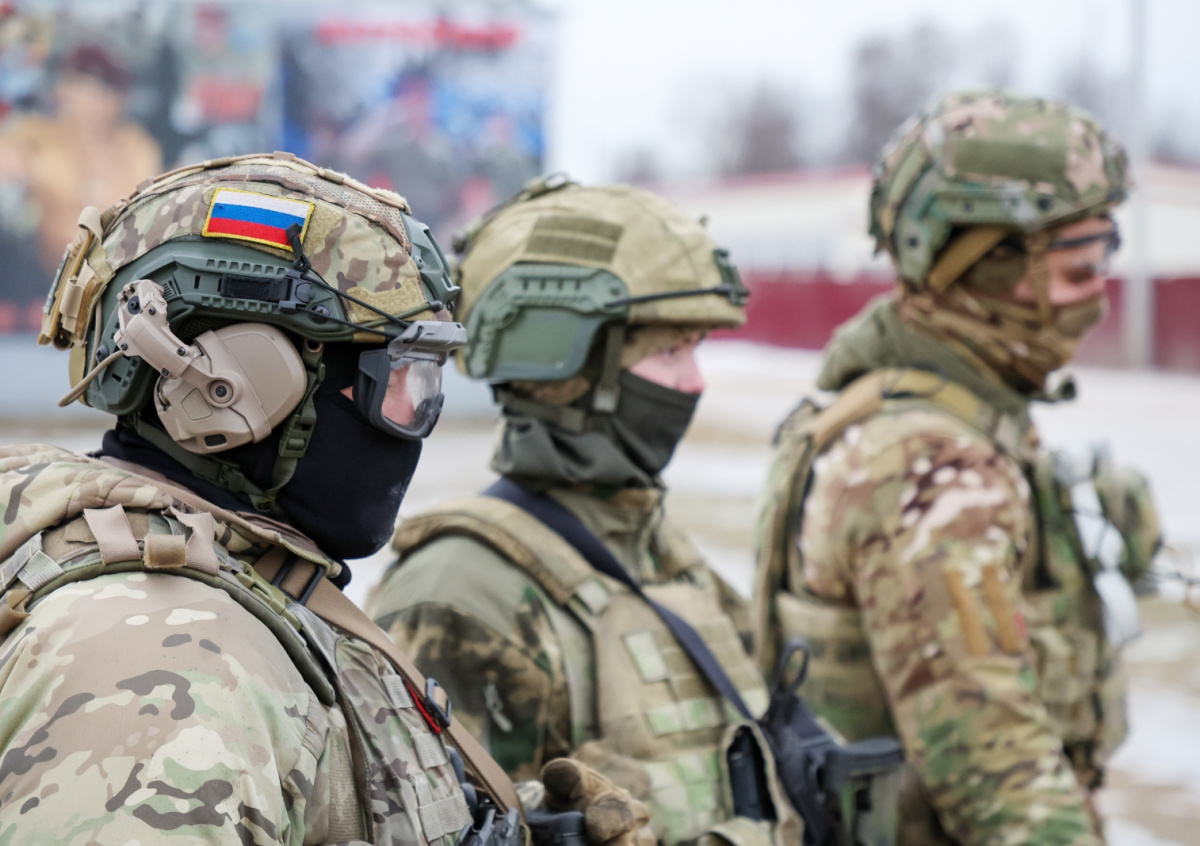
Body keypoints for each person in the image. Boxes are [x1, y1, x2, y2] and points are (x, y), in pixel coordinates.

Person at [0, 154, 653, 846]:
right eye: (399, 374)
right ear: (233, 388)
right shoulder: (162, 663)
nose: (414, 415)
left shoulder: (240, 576)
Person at [753, 90, 1161, 846]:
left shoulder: (938, 406)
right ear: (984, 266)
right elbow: (999, 781)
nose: (1100, 295)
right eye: (1081, 265)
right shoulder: (927, 466)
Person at [367, 177, 810, 846]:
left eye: (696, 348)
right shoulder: (461, 594)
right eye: (671, 351)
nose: (695, 381)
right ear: (564, 361)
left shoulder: (660, 552)